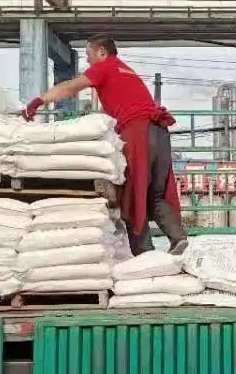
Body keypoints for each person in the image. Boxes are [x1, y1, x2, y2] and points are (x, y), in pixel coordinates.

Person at [23, 35, 187, 255]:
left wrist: (40, 100)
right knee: (155, 194)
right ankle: (178, 239)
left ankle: (145, 254)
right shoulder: (125, 69)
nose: (88, 61)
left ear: (102, 51)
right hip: (159, 131)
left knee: (132, 193)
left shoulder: (105, 67)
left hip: (138, 132)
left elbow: (72, 87)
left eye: (89, 54)